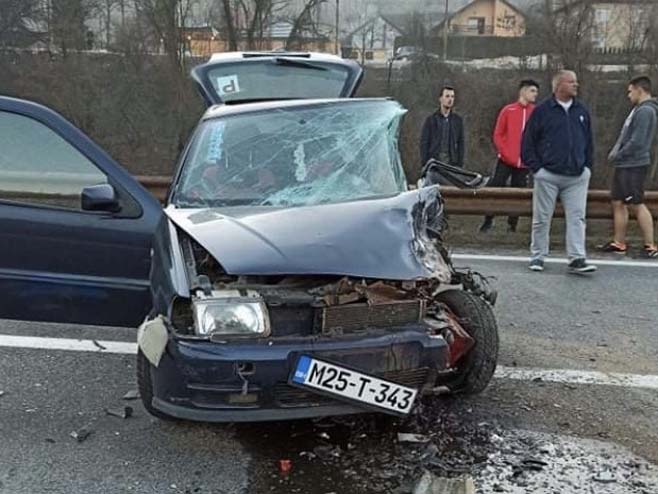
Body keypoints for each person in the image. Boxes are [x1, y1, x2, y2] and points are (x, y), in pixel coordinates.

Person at [521, 70, 597, 274]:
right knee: (542, 217)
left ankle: (577, 257)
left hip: (577, 175)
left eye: (576, 81)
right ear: (558, 86)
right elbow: (528, 142)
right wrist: (537, 169)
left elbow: (589, 142)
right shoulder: (543, 111)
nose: (576, 85)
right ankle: (538, 255)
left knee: (577, 217)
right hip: (549, 174)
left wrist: (587, 167)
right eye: (571, 81)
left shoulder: (581, 110)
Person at [599, 76, 658, 258]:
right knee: (618, 201)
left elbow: (637, 141)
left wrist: (619, 153)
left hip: (634, 164)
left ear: (640, 90)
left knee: (636, 203)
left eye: (630, 91)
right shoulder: (637, 110)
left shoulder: (646, 111)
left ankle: (650, 245)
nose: (628, 95)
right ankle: (619, 242)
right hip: (624, 164)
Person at [480, 79, 540, 233]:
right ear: (523, 91)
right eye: (532, 91)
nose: (535, 95)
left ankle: (512, 225)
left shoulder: (536, 113)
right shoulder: (508, 110)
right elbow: (498, 134)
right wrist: (505, 152)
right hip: (505, 160)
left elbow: (540, 136)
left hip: (524, 163)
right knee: (495, 188)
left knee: (518, 194)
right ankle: (488, 220)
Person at [419, 86, 465, 172]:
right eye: (447, 96)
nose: (450, 99)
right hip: (434, 164)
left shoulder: (457, 121)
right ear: (440, 99)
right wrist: (425, 163)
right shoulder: (431, 120)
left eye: (452, 96)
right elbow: (424, 143)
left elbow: (461, 144)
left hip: (452, 165)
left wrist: (459, 164)